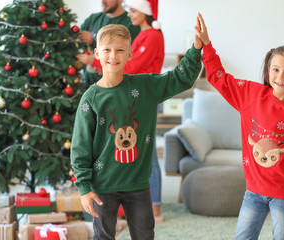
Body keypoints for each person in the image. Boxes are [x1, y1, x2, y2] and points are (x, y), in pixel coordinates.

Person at [194, 13, 284, 240]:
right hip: (253, 192)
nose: (280, 76)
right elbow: (218, 77)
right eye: (275, 69)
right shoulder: (250, 95)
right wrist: (207, 45)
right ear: (268, 70)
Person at [71, 24, 202, 240]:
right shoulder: (90, 99)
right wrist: (84, 187)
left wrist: (196, 47)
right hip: (102, 185)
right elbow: (80, 145)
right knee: (103, 236)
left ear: (130, 53)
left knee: (144, 235)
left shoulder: (145, 87)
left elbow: (181, 77)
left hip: (139, 184)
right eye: (107, 50)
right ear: (96, 53)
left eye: (120, 50)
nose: (113, 56)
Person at [124, 0, 164, 223]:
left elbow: (133, 66)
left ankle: (155, 207)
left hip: (145, 99)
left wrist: (99, 61)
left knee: (147, 152)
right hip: (136, 98)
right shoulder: (142, 35)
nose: (129, 14)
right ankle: (143, 204)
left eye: (133, 10)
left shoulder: (152, 36)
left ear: (145, 12)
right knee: (137, 150)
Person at [76, 0, 140, 84]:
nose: (103, 2)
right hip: (85, 85)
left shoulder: (132, 24)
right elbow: (73, 40)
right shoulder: (93, 19)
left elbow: (132, 62)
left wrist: (93, 41)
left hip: (114, 88)